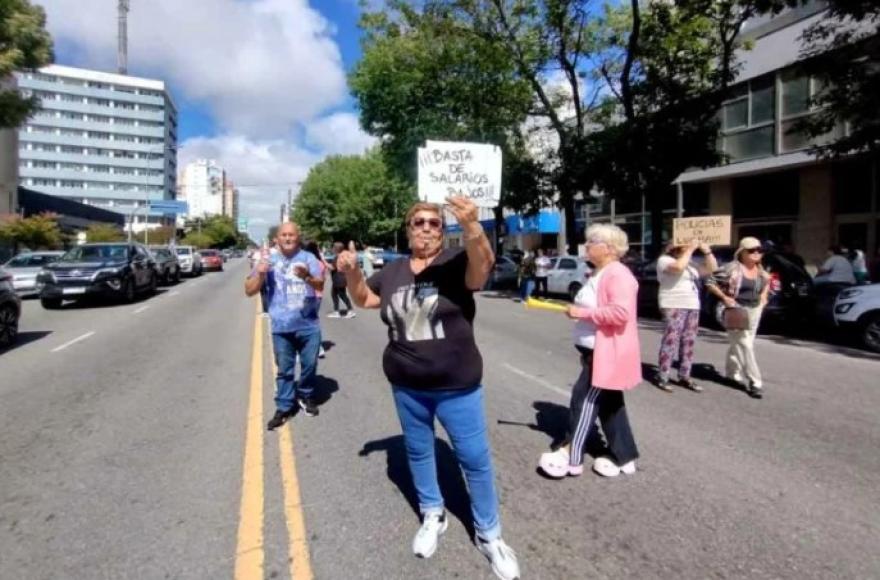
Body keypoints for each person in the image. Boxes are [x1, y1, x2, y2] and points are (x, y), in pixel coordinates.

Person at [336, 197, 520, 580]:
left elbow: (481, 269)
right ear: (408, 229)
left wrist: (471, 225)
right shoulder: (394, 270)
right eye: (418, 222)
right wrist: (352, 273)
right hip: (406, 385)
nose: (426, 228)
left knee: (473, 459)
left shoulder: (454, 262)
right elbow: (366, 299)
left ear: (441, 229)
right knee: (419, 452)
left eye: (434, 223)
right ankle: (432, 513)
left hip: (457, 386)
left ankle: (490, 535)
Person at [538, 224, 643, 479]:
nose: (587, 246)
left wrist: (580, 312)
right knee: (610, 405)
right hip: (597, 350)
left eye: (591, 242)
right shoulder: (602, 272)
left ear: (607, 248)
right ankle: (624, 455)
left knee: (584, 401)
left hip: (604, 352)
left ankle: (571, 455)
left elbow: (620, 313)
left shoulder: (617, 274)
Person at [244, 222, 325, 428]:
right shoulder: (268, 261)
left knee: (310, 365)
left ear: (298, 237)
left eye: (292, 235)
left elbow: (320, 284)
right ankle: (284, 406)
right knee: (285, 370)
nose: (288, 238)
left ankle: (306, 395)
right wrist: (261, 274)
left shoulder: (309, 259)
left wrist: (306, 276)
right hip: (281, 326)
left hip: (308, 324)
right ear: (277, 239)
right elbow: (249, 290)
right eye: (284, 235)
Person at [706, 237, 771, 399]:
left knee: (740, 343)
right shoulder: (731, 268)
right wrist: (724, 297)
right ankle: (755, 382)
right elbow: (710, 281)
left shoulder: (761, 270)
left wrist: (763, 296)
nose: (756, 253)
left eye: (759, 250)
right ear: (742, 252)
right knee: (745, 344)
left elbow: (767, 282)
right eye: (751, 250)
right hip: (735, 309)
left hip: (755, 309)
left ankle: (731, 373)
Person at [655, 240, 718, 392]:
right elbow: (677, 268)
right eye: (684, 245)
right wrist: (690, 250)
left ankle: (685, 375)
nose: (688, 248)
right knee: (671, 339)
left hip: (692, 304)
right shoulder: (664, 260)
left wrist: (707, 251)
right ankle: (663, 375)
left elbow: (712, 269)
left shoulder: (690, 264)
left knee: (688, 341)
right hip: (673, 303)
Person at [304, 241, 329, 358]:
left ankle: (315, 347)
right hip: (318, 296)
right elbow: (323, 280)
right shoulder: (321, 263)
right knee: (313, 322)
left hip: (308, 296)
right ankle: (317, 347)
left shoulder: (306, 263)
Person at [327, 241, 356, 319]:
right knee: (334, 294)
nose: (332, 249)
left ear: (336, 249)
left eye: (333, 247)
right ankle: (337, 311)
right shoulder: (342, 256)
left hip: (339, 279)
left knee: (342, 295)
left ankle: (350, 310)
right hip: (340, 278)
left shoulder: (338, 257)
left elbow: (332, 267)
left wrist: (323, 261)